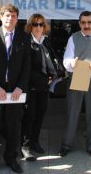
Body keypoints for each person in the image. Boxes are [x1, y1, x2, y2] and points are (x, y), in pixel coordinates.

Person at [0, 4, 31, 174]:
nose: (10, 19)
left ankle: (11, 158)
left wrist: (20, 87)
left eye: (13, 16)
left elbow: (27, 65)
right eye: (7, 15)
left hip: (15, 92)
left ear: (17, 19)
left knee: (13, 127)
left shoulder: (24, 37)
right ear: (1, 17)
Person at [58, 11, 91, 159]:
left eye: (89, 22)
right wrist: (71, 64)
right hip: (79, 74)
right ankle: (66, 145)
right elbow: (66, 59)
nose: (86, 25)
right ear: (79, 23)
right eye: (83, 22)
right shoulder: (73, 38)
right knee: (72, 112)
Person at [21, 13, 61, 161]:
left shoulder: (45, 42)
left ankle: (35, 141)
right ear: (30, 26)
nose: (38, 27)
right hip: (30, 86)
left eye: (41, 24)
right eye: (35, 24)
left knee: (40, 114)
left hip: (44, 86)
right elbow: (25, 67)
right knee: (29, 116)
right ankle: (25, 146)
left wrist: (54, 73)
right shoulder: (26, 42)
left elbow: (52, 60)